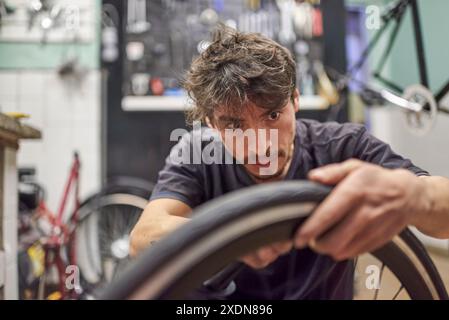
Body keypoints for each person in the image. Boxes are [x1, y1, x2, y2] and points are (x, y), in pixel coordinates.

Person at [129, 26, 449, 299]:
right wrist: (234, 236)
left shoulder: (343, 146)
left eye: (272, 115)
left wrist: (415, 197)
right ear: (212, 123)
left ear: (295, 101)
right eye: (235, 125)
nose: (260, 143)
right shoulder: (196, 153)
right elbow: (143, 239)